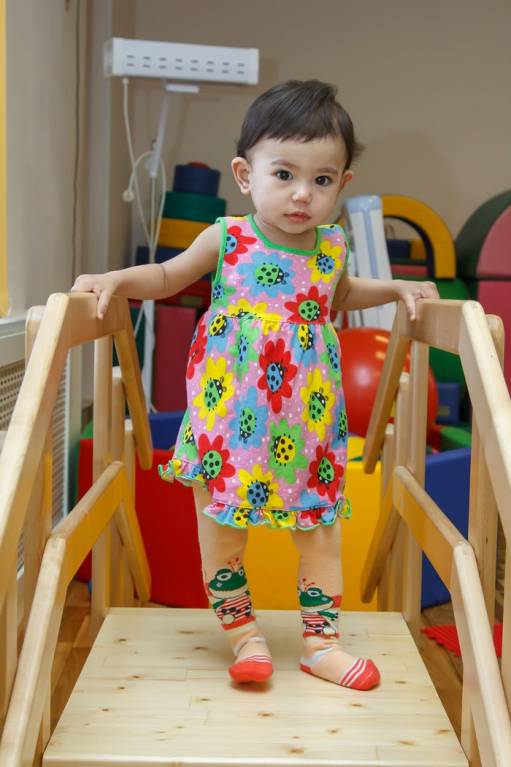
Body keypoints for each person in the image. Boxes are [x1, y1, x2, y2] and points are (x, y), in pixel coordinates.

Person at [72, 79, 438, 691]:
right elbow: (167, 277)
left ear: (342, 184)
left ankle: (321, 643)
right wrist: (116, 279)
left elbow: (343, 294)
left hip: (306, 424)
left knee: (320, 533)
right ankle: (244, 635)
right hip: (228, 421)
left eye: (322, 179)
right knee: (221, 532)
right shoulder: (229, 237)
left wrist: (397, 288)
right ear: (246, 175)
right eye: (284, 174)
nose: (302, 194)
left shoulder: (331, 247)